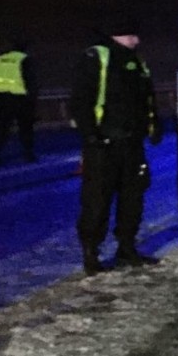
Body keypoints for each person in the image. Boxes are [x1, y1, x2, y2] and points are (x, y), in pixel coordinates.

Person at [69, 19, 163, 274]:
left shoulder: (137, 62)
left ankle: (127, 247)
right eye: (133, 35)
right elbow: (80, 99)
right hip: (103, 144)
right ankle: (91, 252)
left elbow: (147, 100)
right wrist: (90, 134)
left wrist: (155, 127)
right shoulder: (97, 57)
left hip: (132, 144)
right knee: (97, 199)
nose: (137, 41)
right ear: (119, 34)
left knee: (133, 198)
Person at [0, 38, 39, 165]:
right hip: (20, 98)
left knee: (1, 128)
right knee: (25, 127)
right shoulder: (24, 59)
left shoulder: (0, 58)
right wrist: (32, 101)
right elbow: (30, 81)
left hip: (0, 98)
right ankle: (28, 153)